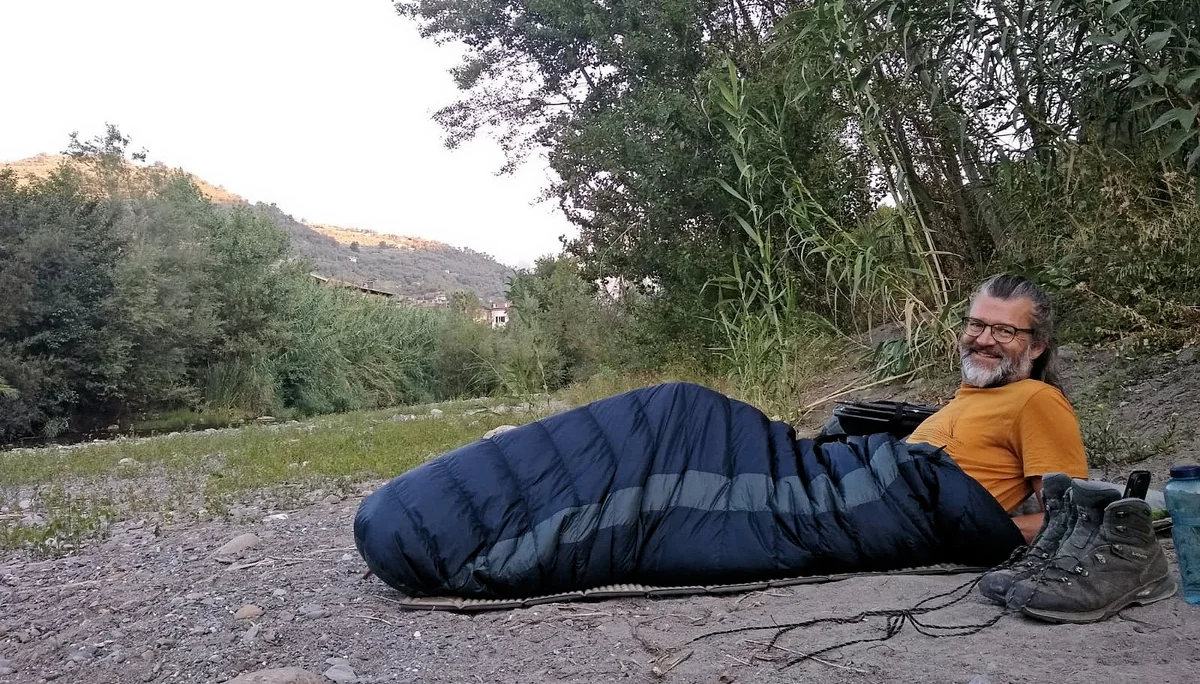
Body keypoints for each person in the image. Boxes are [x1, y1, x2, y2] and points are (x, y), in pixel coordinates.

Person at [906, 274, 1089, 543]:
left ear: (1036, 347)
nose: (983, 340)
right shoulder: (966, 398)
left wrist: (975, 533)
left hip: (891, 521)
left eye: (1004, 331)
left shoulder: (1036, 400)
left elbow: (1069, 518)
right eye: (976, 324)